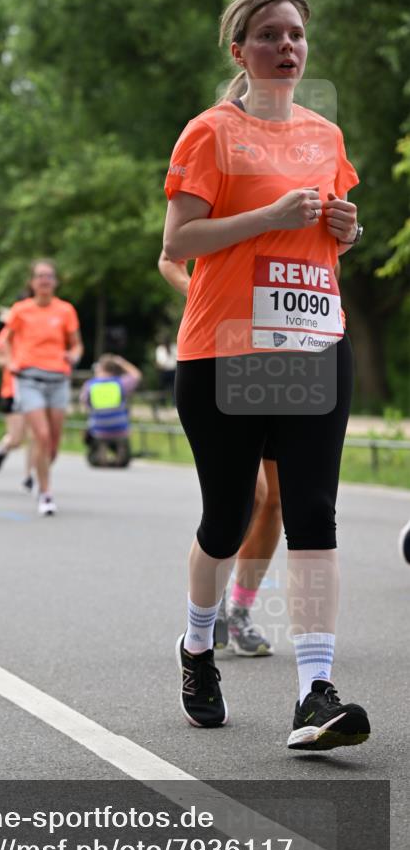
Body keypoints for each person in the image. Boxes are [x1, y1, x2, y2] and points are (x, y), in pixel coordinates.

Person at [163, 0, 369, 750]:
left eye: (295, 34)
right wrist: (268, 217)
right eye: (269, 35)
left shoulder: (326, 135)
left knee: (313, 514)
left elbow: (323, 236)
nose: (286, 46)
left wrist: (342, 230)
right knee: (228, 518)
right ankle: (195, 648)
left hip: (314, 341)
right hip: (226, 349)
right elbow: (179, 243)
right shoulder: (209, 133)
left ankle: (314, 693)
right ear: (238, 50)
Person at [159, 251, 279, 656]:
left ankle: (240, 610)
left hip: (290, 356)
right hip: (227, 347)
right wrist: (203, 292)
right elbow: (169, 257)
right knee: (251, 496)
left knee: (277, 500)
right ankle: (212, 605)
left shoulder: (311, 192)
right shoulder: (227, 190)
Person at [0, 259, 82, 516]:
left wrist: (74, 355)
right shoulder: (21, 310)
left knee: (53, 443)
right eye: (40, 276)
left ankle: (39, 470)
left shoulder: (65, 310)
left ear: (55, 282)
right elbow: (5, 343)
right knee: (42, 436)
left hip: (58, 379)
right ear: (32, 282)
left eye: (49, 276)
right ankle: (46, 493)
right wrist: (11, 362)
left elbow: (76, 344)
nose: (44, 280)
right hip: (29, 379)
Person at [0, 314, 35, 492]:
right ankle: (4, 449)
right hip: (13, 390)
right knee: (17, 439)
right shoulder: (8, 334)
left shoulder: (39, 333)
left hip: (35, 389)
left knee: (35, 434)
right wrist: (10, 364)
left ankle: (30, 475)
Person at [80, 354, 141, 468]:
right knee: (121, 432)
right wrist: (122, 362)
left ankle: (99, 452)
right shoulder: (120, 383)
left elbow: (84, 403)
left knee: (90, 428)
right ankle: (120, 455)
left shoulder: (90, 385)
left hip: (99, 430)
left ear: (100, 368)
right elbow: (136, 375)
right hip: (120, 429)